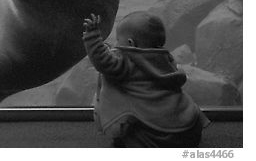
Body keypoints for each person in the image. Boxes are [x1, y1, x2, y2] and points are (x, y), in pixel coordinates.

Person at [82, 11, 210, 147]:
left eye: (118, 40)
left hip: (153, 129)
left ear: (131, 44)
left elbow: (102, 61)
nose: (116, 45)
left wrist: (93, 37)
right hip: (186, 123)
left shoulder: (128, 61)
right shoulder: (166, 59)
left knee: (133, 140)